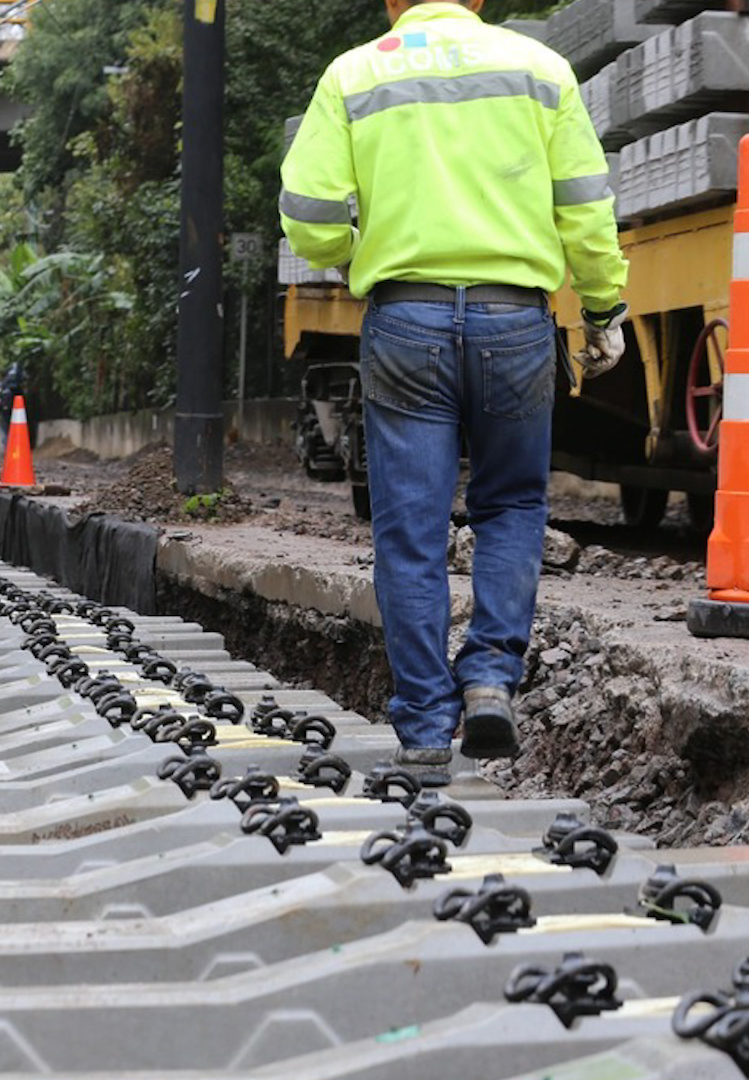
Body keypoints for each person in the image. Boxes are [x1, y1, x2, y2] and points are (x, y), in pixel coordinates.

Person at [280, 0, 627, 784]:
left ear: (390, 2)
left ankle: (426, 728)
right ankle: (491, 678)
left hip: (405, 319)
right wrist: (604, 305)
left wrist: (348, 255)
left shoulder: (355, 73)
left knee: (411, 527)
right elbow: (585, 207)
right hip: (515, 321)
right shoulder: (538, 70)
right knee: (510, 505)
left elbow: (308, 215)